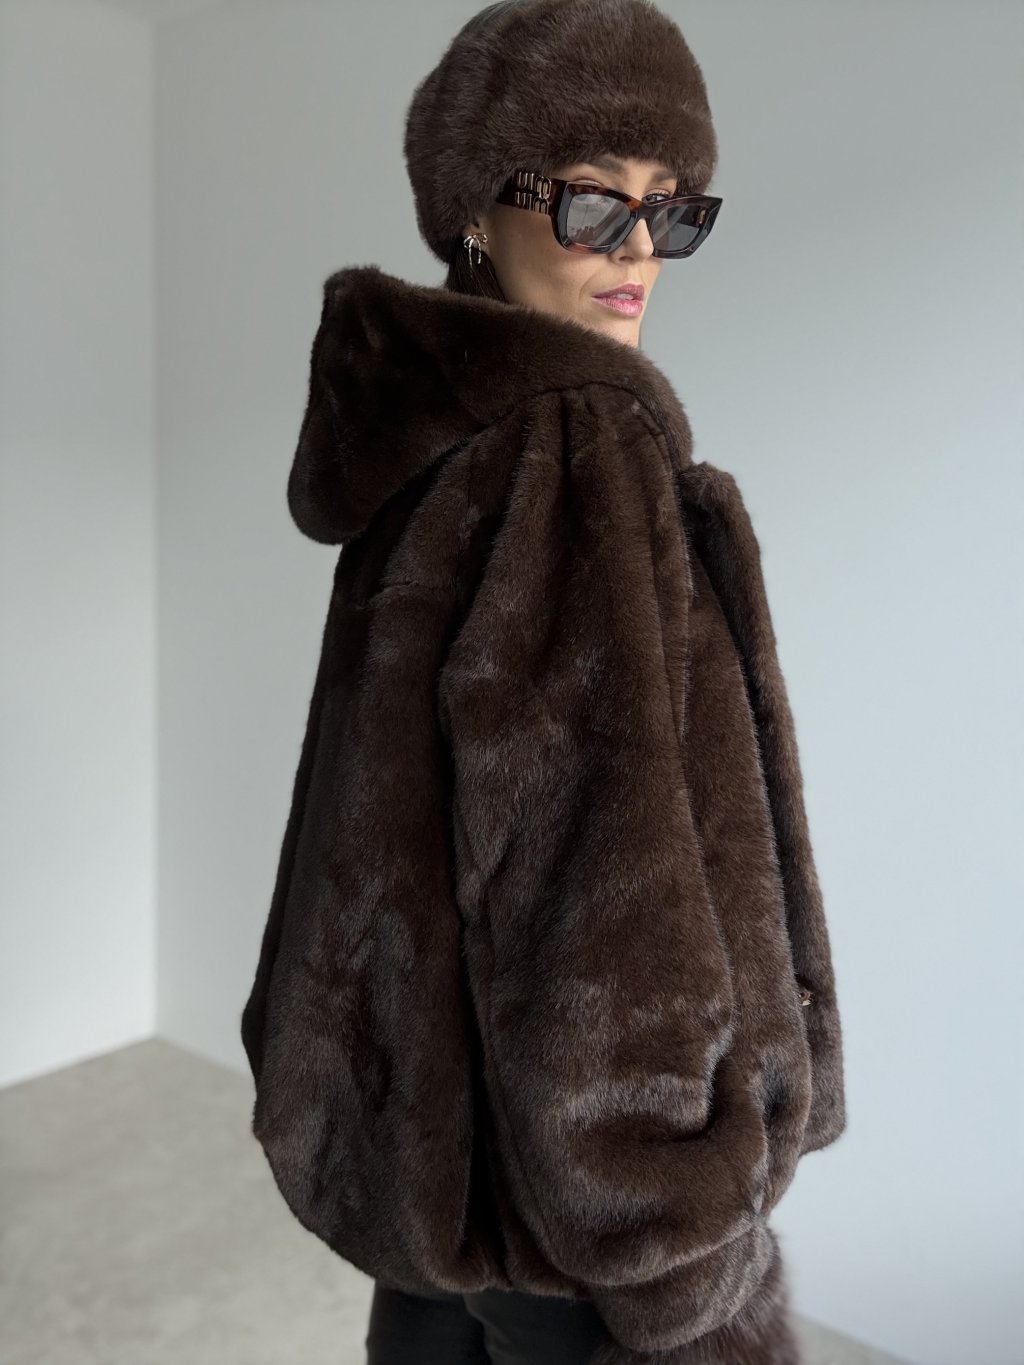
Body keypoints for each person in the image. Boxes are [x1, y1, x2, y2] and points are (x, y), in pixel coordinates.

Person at [239, 2, 848, 1363]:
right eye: (590, 201)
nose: (637, 251)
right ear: (475, 208)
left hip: (432, 1149)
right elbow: (592, 866)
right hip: (571, 1205)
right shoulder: (576, 446)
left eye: (669, 208)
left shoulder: (428, 442)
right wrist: (666, 1228)